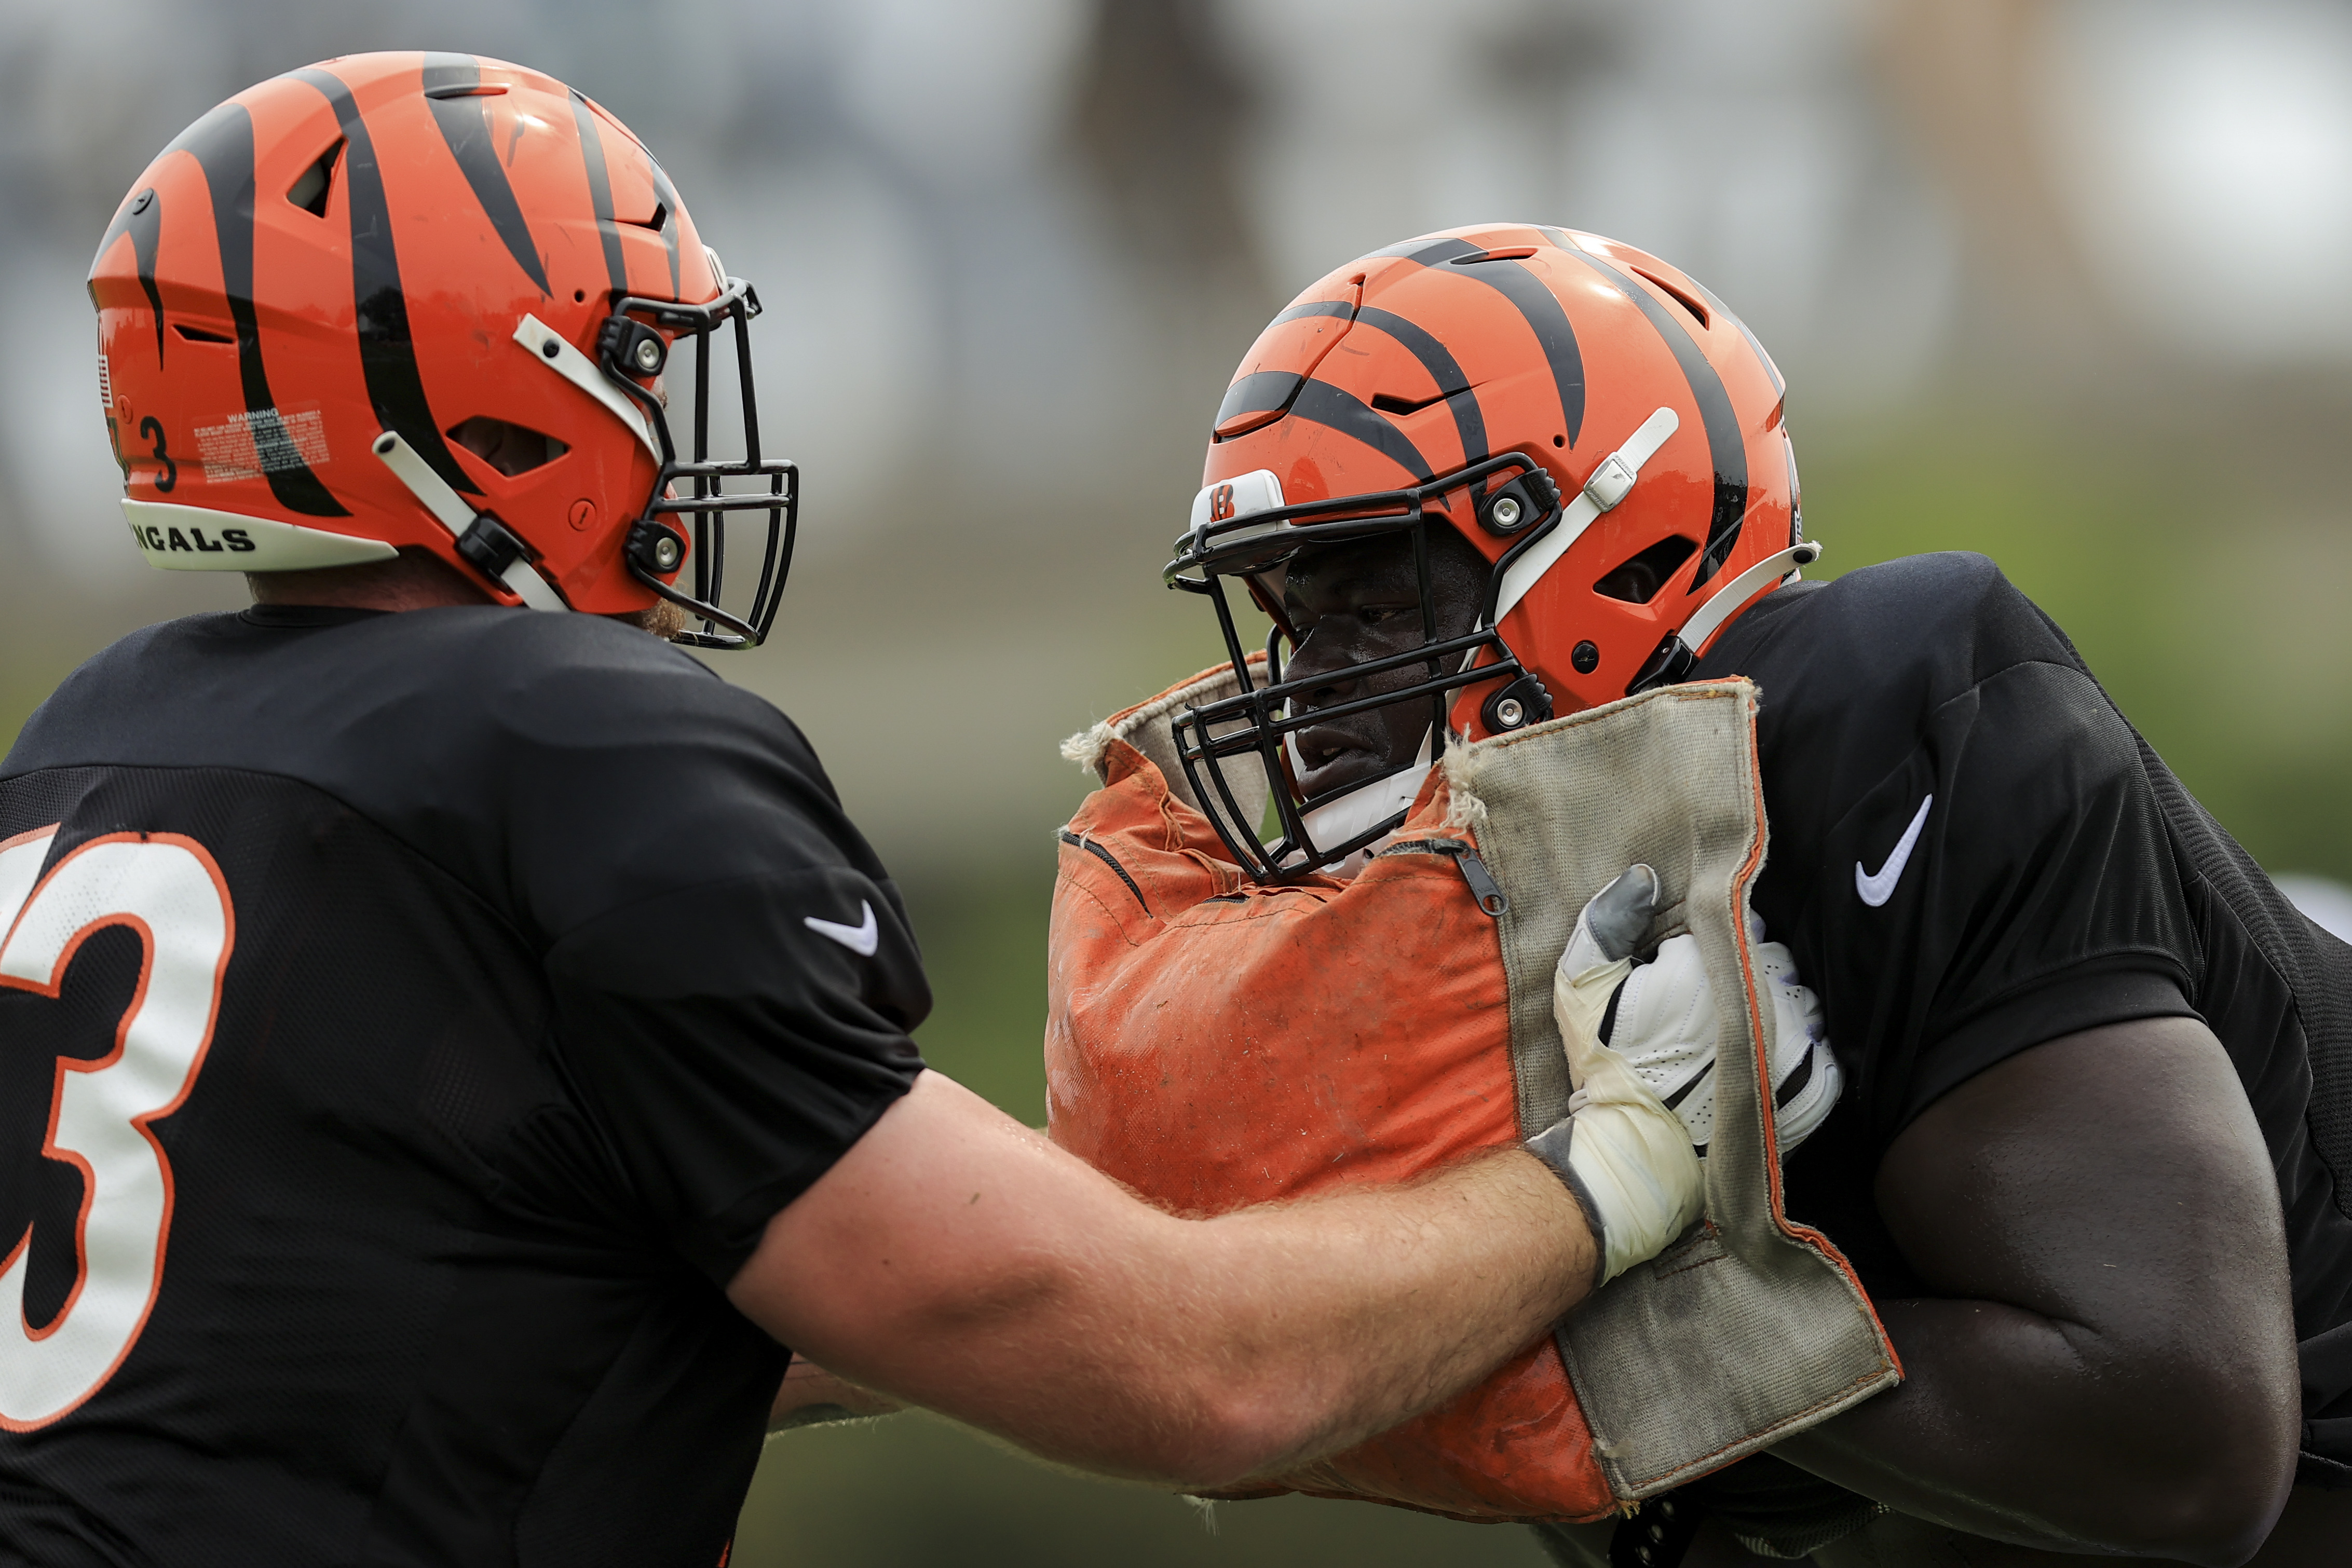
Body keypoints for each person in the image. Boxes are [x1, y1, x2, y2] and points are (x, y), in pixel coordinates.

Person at [7, 60, 1708, 1566]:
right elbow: (1194, 1371)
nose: (673, 434)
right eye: (636, 365)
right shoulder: (566, 738)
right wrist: (1610, 1175)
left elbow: (524, 1272)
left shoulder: (90, 744)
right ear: (498, 398)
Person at [1158, 222, 2352, 1566]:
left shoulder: (1882, 717)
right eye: (1290, 624)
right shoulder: (1504, 933)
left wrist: (1594, 1293)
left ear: (1604, 549)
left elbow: (2180, 1444)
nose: (1307, 697)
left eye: (1372, 606)